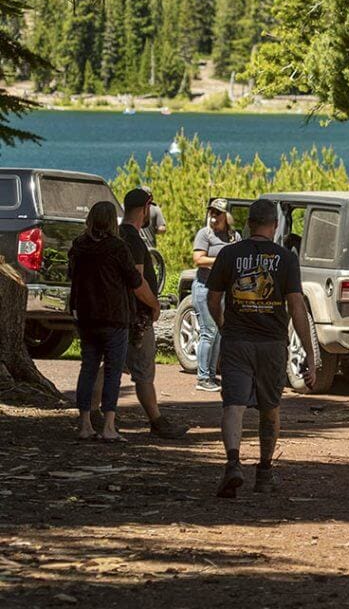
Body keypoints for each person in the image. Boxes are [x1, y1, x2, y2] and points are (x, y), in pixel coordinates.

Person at [206, 199, 315, 498]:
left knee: (233, 406)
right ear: (275, 226)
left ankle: (232, 464)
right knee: (270, 409)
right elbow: (296, 307)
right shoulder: (286, 258)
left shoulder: (229, 254)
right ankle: (265, 471)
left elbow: (212, 299)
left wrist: (223, 326)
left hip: (237, 341)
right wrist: (310, 354)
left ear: (248, 224)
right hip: (272, 343)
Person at [69, 201, 159, 442]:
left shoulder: (79, 246)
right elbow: (134, 280)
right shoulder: (118, 247)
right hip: (115, 317)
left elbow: (72, 276)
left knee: (87, 368)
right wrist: (153, 304)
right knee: (112, 371)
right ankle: (109, 425)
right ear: (112, 222)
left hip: (86, 316)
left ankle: (85, 423)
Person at [116, 188, 190, 439]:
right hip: (136, 317)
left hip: (119, 313)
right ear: (145, 209)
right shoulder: (133, 240)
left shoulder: (117, 236)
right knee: (143, 372)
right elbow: (137, 280)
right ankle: (157, 421)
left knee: (111, 366)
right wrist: (154, 305)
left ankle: (97, 415)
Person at [191, 198, 241, 392]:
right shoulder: (205, 234)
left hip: (223, 290)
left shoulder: (233, 236)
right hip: (205, 288)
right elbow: (198, 259)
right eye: (212, 212)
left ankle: (212, 375)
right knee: (208, 331)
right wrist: (221, 260)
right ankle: (202, 377)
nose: (213, 217)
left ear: (227, 216)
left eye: (218, 213)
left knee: (219, 333)